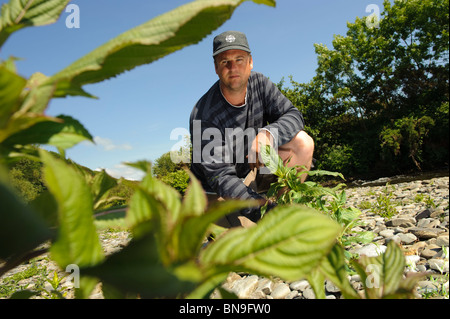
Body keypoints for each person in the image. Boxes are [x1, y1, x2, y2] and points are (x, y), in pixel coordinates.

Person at [189, 31, 314, 227]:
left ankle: (285, 209)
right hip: (215, 193)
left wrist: (268, 133)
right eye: (225, 62)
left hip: (249, 171)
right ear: (215, 68)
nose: (233, 67)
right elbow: (221, 179)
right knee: (237, 252)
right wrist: (267, 214)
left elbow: (293, 115)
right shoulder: (203, 115)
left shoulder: (260, 84)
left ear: (251, 62)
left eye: (239, 59)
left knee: (302, 142)